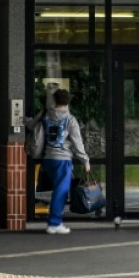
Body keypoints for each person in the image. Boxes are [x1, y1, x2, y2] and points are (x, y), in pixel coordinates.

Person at [39, 88, 90, 235]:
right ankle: (54, 223)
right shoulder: (70, 119)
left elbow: (32, 126)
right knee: (60, 192)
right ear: (68, 102)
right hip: (62, 160)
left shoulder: (46, 115)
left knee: (57, 191)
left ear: (55, 101)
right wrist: (85, 160)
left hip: (48, 159)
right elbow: (77, 143)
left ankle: (55, 221)